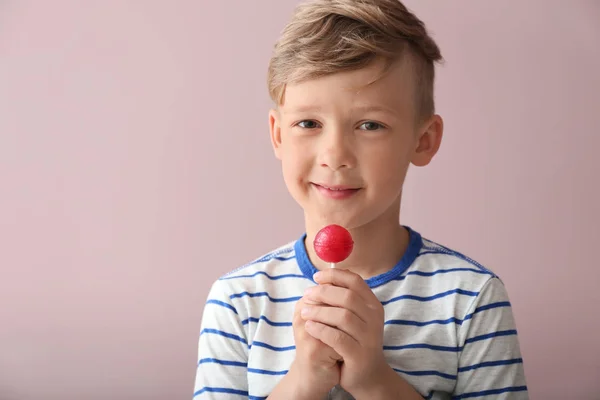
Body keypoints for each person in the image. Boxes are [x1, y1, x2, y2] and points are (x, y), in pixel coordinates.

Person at [193, 0, 528, 399]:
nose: (335, 155)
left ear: (423, 141)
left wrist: (372, 378)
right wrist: (305, 379)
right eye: (309, 123)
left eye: (370, 124)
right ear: (278, 135)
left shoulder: (472, 299)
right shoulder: (236, 300)